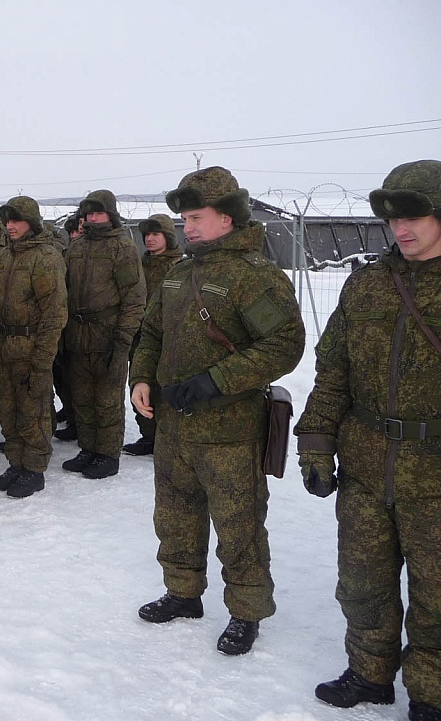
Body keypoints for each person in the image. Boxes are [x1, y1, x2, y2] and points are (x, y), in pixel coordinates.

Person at [294, 159, 441, 721]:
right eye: (392, 218)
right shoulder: (367, 283)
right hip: (364, 465)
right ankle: (372, 673)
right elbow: (333, 371)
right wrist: (317, 441)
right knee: (362, 583)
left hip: (434, 472)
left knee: (437, 593)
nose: (399, 229)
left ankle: (431, 695)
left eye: (413, 216)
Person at [129, 166, 304, 655]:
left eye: (197, 217)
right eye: (184, 218)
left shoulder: (252, 275)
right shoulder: (179, 273)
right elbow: (152, 334)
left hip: (231, 431)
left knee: (239, 523)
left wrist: (215, 382)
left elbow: (284, 345)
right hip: (174, 427)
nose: (188, 227)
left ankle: (246, 611)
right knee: (176, 514)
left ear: (228, 218)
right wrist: (140, 377)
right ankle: (183, 593)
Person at [0, 196, 68, 498]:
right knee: (8, 411)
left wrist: (43, 358)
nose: (10, 226)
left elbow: (55, 313)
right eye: (7, 221)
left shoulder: (45, 257)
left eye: (16, 220)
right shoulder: (5, 256)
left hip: (32, 348)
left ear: (31, 222)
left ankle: (33, 469)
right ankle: (16, 463)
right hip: (4, 348)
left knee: (33, 410)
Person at [60, 190, 145, 480]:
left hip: (108, 334)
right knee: (82, 397)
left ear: (110, 214)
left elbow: (133, 296)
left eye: (98, 213)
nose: (92, 218)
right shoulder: (76, 247)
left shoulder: (122, 247)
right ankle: (88, 448)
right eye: (88, 214)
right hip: (77, 334)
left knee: (107, 398)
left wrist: (123, 339)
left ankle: (107, 453)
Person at [124, 214, 183, 456]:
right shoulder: (139, 265)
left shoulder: (179, 267)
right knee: (139, 386)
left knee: (166, 390)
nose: (149, 239)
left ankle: (168, 438)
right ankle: (149, 435)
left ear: (168, 237)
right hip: (140, 337)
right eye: (147, 235)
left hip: (168, 338)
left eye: (155, 234)